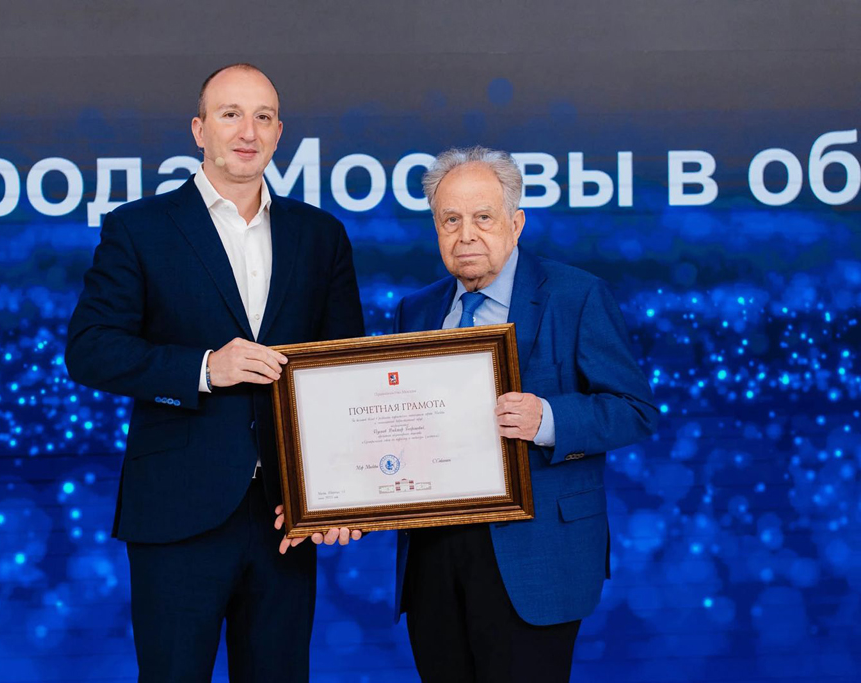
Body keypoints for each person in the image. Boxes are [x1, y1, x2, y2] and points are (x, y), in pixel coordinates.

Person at [65, 63, 365, 682]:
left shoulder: (321, 235)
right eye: (231, 115)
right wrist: (205, 368)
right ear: (199, 130)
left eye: (262, 117)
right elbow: (90, 348)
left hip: (286, 516)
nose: (247, 131)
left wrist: (337, 494)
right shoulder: (139, 228)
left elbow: (345, 370)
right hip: (177, 511)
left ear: (279, 133)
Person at [392, 147, 658, 682]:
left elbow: (635, 410)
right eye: (450, 220)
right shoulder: (416, 309)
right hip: (433, 558)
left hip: (536, 556)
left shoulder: (576, 295)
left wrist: (548, 419)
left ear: (516, 224)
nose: (466, 235)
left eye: (483, 217)